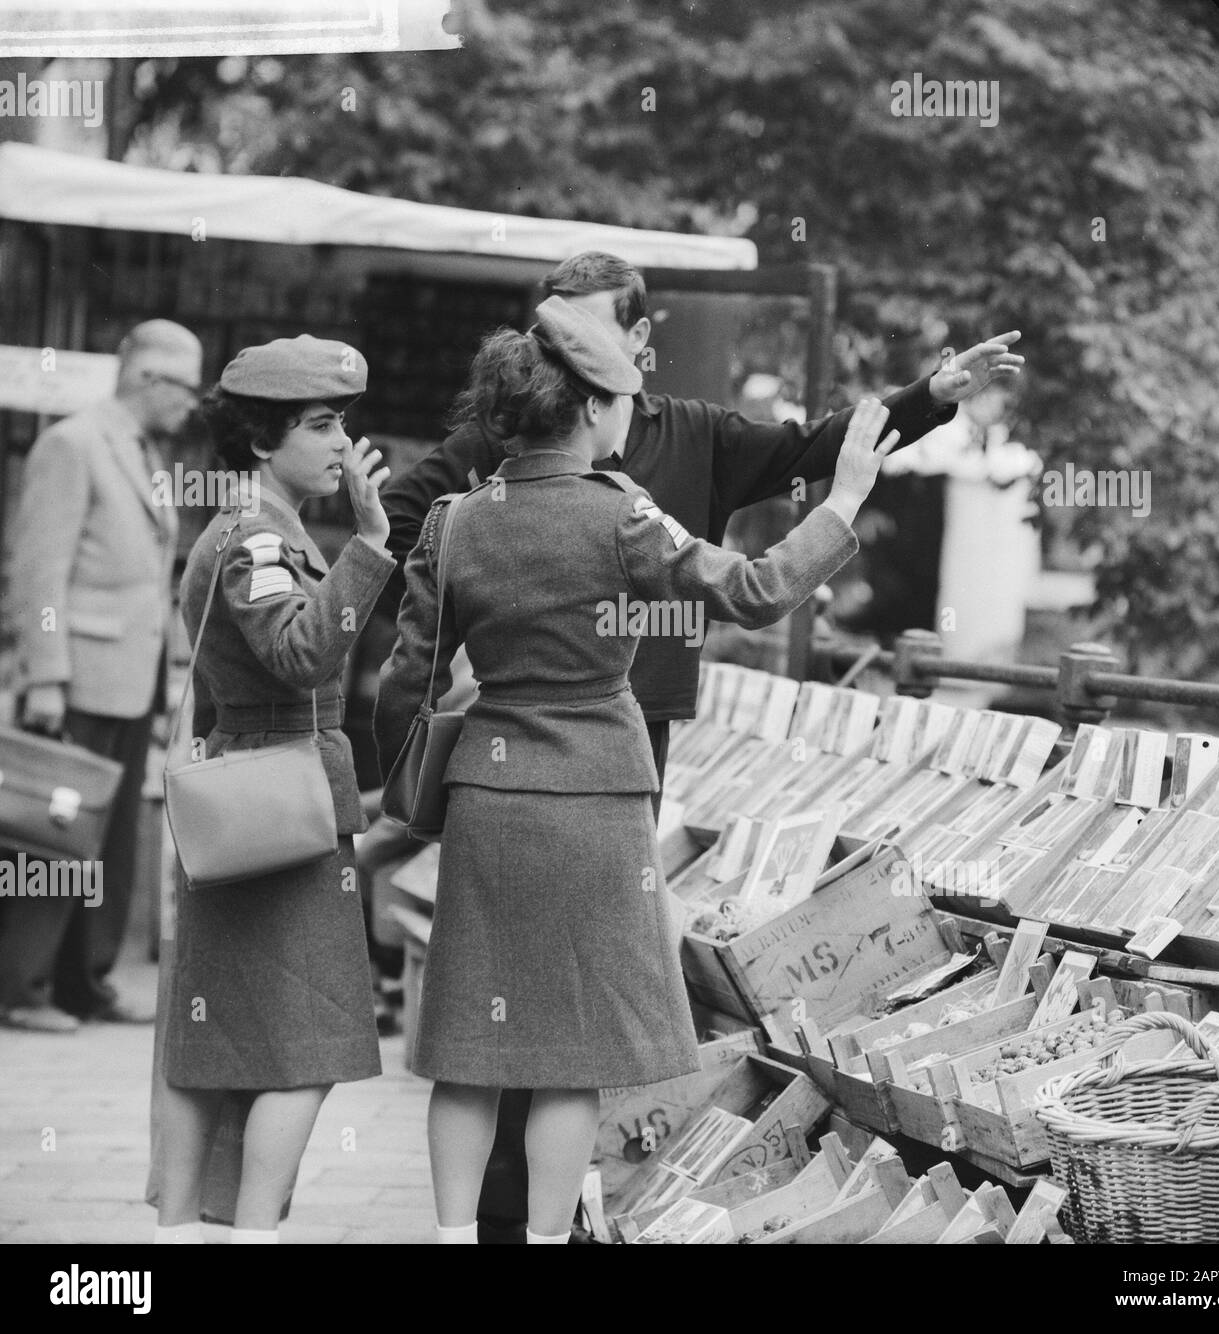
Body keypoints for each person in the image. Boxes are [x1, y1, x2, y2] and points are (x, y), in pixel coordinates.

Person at [376, 251, 1025, 1240]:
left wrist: (412, 783)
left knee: (472, 1045)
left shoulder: (458, 522)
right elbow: (756, 588)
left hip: (487, 796)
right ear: (593, 407)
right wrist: (843, 500)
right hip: (597, 793)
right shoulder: (623, 514)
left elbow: (403, 685)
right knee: (572, 1052)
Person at [151, 336, 396, 1245]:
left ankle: (179, 1234)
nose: (343, 442)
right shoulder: (256, 532)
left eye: (343, 422)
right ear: (262, 439)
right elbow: (296, 654)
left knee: (211, 1045)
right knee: (313, 1043)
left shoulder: (254, 523)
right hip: (282, 798)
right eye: (322, 424)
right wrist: (371, 549)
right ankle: (252, 1234)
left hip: (243, 794)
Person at [0, 320, 200, 1033]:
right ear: (149, 379)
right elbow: (38, 567)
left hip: (127, 674)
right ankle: (22, 987)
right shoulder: (74, 444)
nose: (192, 403)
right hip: (77, 676)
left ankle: (85, 982)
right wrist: (46, 673)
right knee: (51, 834)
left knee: (106, 836)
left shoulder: (143, 451)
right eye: (185, 386)